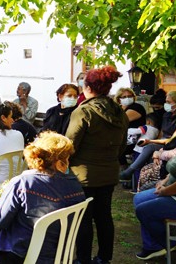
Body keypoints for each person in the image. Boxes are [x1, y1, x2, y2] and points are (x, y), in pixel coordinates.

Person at [0, 132, 86, 264]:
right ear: (58, 162)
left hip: (28, 255)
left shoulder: (24, 182)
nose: (68, 163)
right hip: (61, 253)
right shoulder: (75, 184)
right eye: (67, 158)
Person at [65, 66, 129, 264]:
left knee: (83, 220)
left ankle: (83, 260)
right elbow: (122, 146)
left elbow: (70, 145)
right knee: (104, 217)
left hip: (84, 176)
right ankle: (104, 258)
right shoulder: (119, 111)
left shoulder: (83, 111)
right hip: (109, 173)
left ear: (87, 87)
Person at [133, 105, 176, 260]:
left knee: (144, 210)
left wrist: (165, 191)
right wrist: (164, 181)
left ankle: (167, 242)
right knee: (138, 199)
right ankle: (153, 245)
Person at [120, 90, 176, 181]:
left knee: (149, 147)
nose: (166, 104)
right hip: (162, 142)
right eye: (166, 102)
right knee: (145, 149)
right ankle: (138, 179)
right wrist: (155, 142)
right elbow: (161, 134)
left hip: (173, 144)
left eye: (169, 102)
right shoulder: (167, 115)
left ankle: (130, 171)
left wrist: (150, 142)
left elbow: (172, 139)